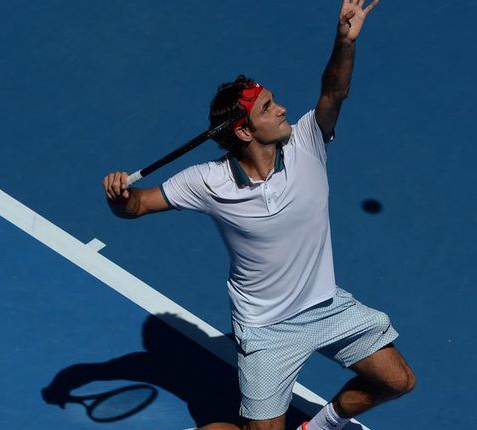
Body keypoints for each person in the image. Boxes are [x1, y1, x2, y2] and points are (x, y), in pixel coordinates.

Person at [102, 1, 414, 429]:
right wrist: (120, 195)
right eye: (268, 107)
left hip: (326, 306)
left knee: (398, 380)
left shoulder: (308, 142)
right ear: (244, 132)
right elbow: (137, 206)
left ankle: (319, 427)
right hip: (266, 330)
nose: (282, 108)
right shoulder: (208, 181)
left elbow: (333, 92)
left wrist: (344, 41)